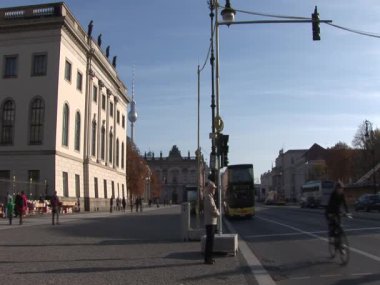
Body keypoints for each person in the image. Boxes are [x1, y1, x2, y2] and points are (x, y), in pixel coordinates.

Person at [203, 181, 220, 265]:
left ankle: (209, 258)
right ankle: (208, 259)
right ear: (210, 189)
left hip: (211, 221)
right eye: (213, 188)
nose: (214, 190)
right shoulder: (208, 197)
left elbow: (212, 208)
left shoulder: (209, 196)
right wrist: (218, 213)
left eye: (214, 188)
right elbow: (212, 209)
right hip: (210, 221)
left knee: (210, 241)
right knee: (210, 241)